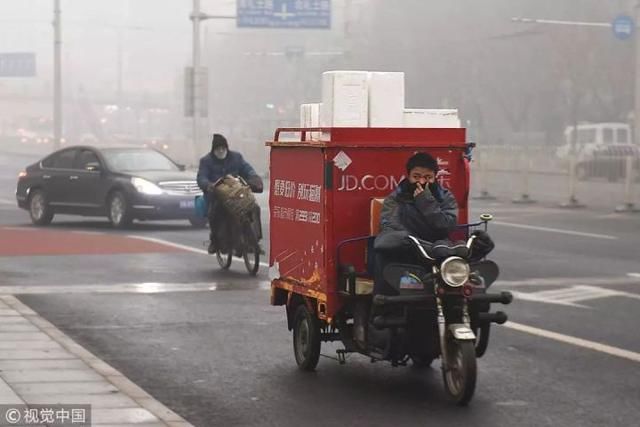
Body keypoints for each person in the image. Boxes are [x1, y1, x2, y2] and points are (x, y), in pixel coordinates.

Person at [372, 151, 458, 295]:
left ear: (435, 177)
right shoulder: (396, 198)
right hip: (407, 248)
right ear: (409, 176)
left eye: (427, 177)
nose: (422, 182)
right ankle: (384, 307)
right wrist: (412, 241)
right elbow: (390, 226)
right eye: (416, 177)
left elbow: (447, 225)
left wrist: (426, 203)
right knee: (383, 254)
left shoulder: (445, 198)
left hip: (436, 248)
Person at [197, 134, 263, 254]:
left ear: (227, 148)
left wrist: (254, 177)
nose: (221, 150)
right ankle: (215, 240)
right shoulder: (206, 161)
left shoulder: (236, 157)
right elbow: (202, 177)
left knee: (254, 207)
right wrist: (208, 185)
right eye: (218, 148)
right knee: (214, 214)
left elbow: (247, 169)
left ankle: (255, 239)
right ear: (213, 150)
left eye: (223, 148)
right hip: (217, 196)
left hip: (237, 193)